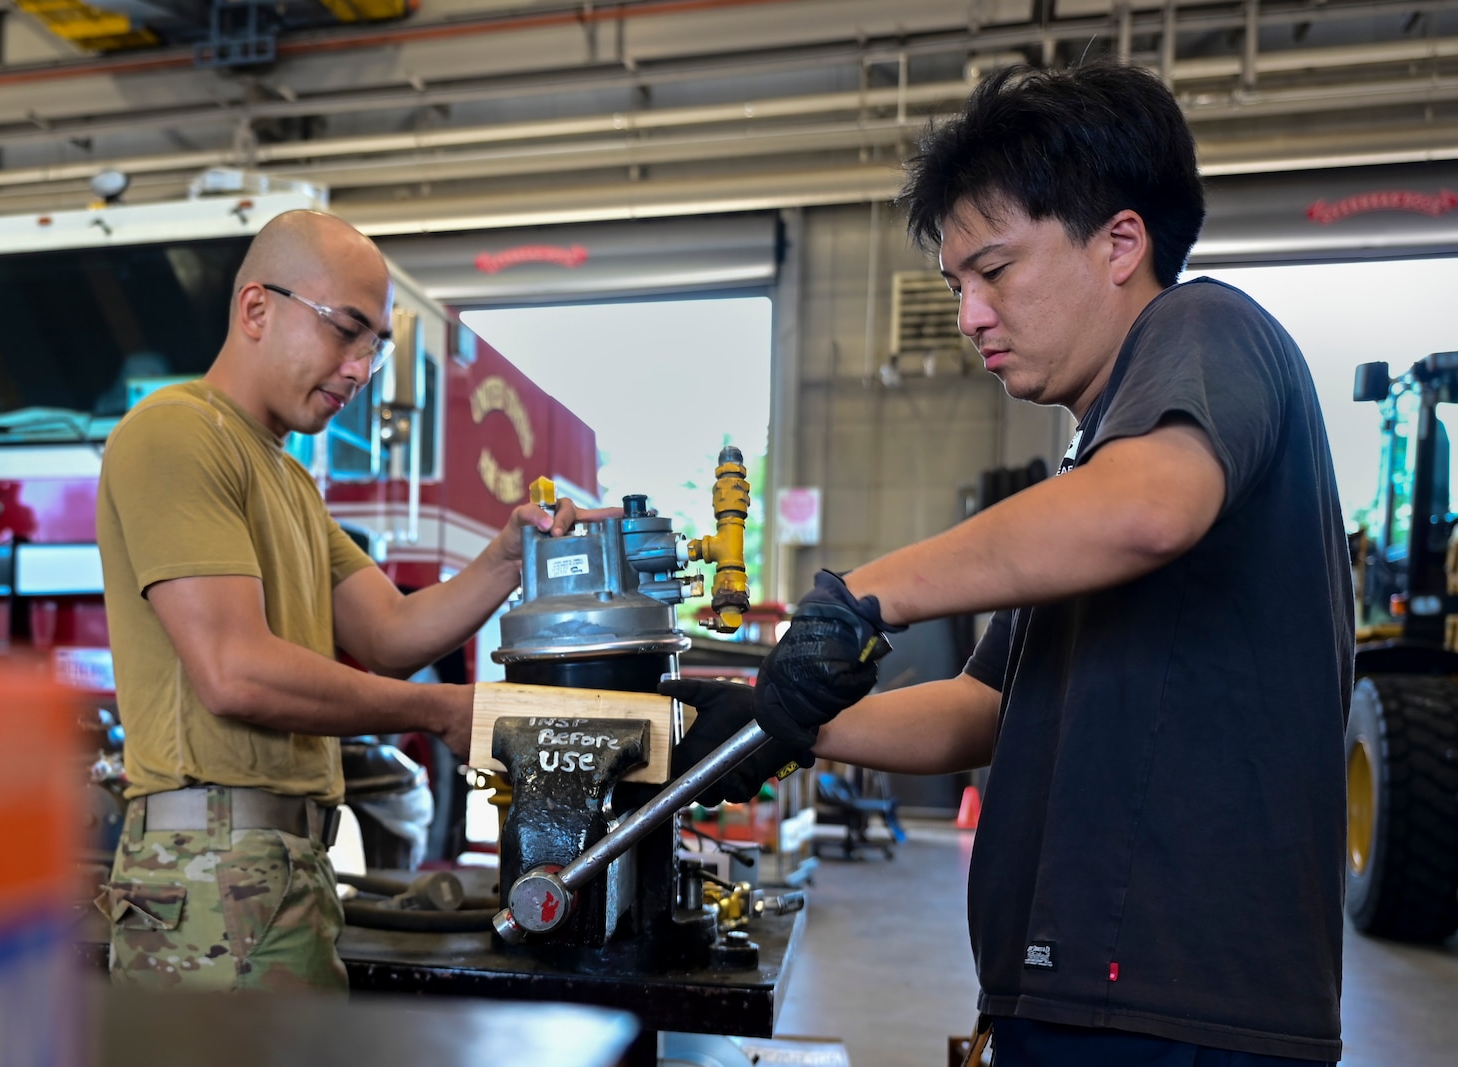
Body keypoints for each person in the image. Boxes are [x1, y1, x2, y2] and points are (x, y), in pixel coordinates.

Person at [663, 62, 1351, 1065]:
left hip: (1177, 1010)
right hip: (1074, 995)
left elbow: (1150, 510)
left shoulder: (1206, 328)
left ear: (1120, 242)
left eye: (994, 270)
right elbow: (975, 707)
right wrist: (777, 723)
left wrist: (864, 594)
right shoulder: (1087, 470)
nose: (969, 313)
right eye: (955, 284)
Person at [95, 209, 610, 993]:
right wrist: (439, 711)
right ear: (257, 309)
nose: (361, 369)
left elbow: (393, 629)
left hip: (279, 869)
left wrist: (511, 556)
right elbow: (234, 671)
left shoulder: (289, 480)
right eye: (347, 331)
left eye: (376, 347)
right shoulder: (175, 433)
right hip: (209, 874)